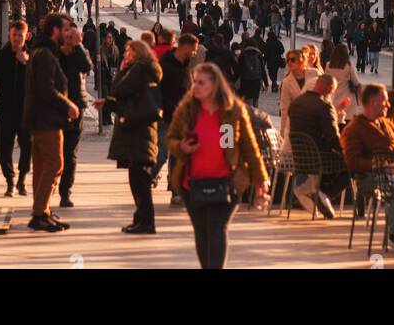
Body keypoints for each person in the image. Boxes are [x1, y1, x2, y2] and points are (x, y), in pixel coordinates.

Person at [167, 62, 268, 269]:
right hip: (191, 184)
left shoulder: (232, 111)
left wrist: (260, 179)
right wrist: (182, 147)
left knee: (216, 229)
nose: (196, 86)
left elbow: (248, 147)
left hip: (226, 183)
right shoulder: (187, 110)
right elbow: (171, 139)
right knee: (202, 231)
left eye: (201, 83)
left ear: (215, 85)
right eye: (195, 82)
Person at [97, 39, 163, 236]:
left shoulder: (140, 70)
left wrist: (123, 69)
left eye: (129, 52)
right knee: (137, 177)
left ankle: (146, 221)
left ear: (138, 53)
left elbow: (119, 89)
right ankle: (140, 219)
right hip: (137, 128)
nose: (125, 54)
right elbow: (123, 97)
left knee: (140, 179)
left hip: (138, 129)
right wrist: (109, 101)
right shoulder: (141, 70)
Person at [22, 13, 79, 232]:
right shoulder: (45, 54)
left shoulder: (41, 51)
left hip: (39, 117)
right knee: (55, 164)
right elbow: (46, 89)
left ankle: (42, 211)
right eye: (66, 29)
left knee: (42, 166)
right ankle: (39, 214)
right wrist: (68, 105)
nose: (68, 32)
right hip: (47, 119)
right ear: (55, 30)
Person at [341, 83, 394, 245]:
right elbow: (353, 162)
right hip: (370, 178)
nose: (388, 105)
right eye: (385, 101)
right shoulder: (354, 129)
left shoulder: (386, 123)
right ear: (373, 102)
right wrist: (380, 166)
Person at [287, 74, 349, 218]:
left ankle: (317, 193)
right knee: (350, 166)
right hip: (319, 156)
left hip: (300, 155)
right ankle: (324, 193)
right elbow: (332, 137)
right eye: (332, 90)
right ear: (328, 88)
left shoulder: (296, 103)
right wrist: (345, 151)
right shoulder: (324, 106)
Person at [0, 19, 31, 198]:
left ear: (26, 36)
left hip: (26, 110)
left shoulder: (31, 56)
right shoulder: (1, 56)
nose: (17, 38)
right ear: (10, 35)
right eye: (14, 35)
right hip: (4, 109)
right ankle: (10, 181)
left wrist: (26, 62)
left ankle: (22, 180)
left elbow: (39, 80)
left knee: (27, 147)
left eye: (20, 35)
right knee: (4, 148)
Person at [156, 32, 199, 204]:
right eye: (194, 50)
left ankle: (175, 191)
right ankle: (143, 180)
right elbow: (157, 91)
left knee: (176, 156)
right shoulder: (164, 65)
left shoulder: (185, 66)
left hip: (181, 118)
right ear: (185, 47)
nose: (195, 53)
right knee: (161, 154)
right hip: (165, 117)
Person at [58, 22, 93, 207]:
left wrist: (78, 45)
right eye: (67, 35)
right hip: (57, 107)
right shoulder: (55, 52)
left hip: (76, 107)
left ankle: (65, 192)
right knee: (56, 152)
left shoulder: (80, 52)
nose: (70, 39)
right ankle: (54, 182)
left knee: (70, 152)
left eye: (73, 35)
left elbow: (87, 67)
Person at [325, 42, 361, 124]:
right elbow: (356, 82)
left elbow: (325, 78)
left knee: (333, 119)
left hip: (332, 96)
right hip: (346, 97)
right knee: (346, 120)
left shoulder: (328, 65)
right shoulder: (348, 66)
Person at [278, 48, 307, 141]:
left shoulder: (312, 75)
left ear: (301, 61)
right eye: (288, 60)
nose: (289, 62)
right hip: (296, 125)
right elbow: (284, 108)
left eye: (293, 60)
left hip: (312, 123)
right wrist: (283, 132)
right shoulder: (286, 82)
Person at [236, 35, 266, 108]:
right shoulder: (258, 54)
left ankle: (250, 117)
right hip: (256, 80)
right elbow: (262, 69)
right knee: (255, 100)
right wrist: (266, 82)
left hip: (246, 80)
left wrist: (235, 80)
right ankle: (255, 115)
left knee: (248, 102)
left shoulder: (243, 54)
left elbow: (238, 69)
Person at [264, 28, 285, 94]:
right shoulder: (277, 42)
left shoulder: (268, 43)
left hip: (270, 61)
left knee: (271, 73)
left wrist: (264, 60)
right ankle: (274, 84)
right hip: (277, 60)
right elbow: (282, 50)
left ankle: (274, 83)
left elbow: (266, 52)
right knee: (275, 73)